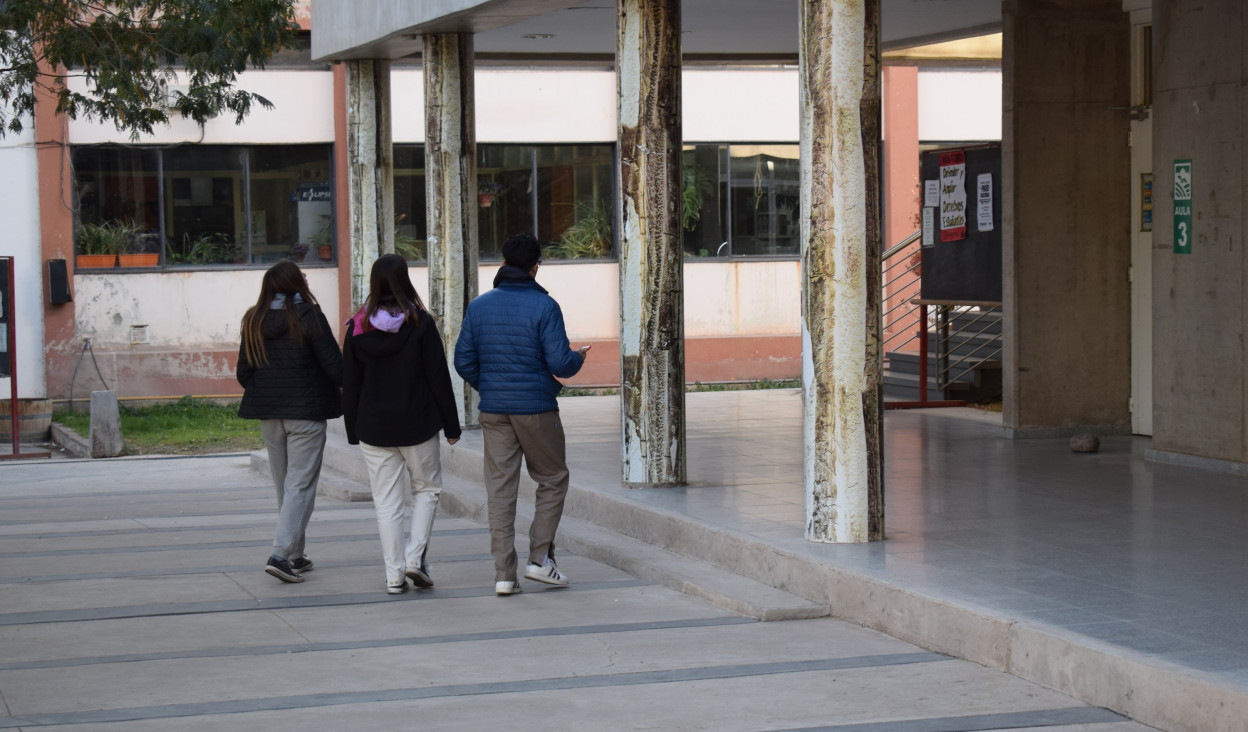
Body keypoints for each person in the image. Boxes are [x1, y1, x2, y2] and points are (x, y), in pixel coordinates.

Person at [454, 233, 588, 596]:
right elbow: (561, 363)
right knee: (553, 478)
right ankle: (540, 560)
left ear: (502, 263)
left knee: (499, 490)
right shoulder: (545, 307)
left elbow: (463, 361)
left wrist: (493, 386)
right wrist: (581, 356)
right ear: (535, 267)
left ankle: (504, 575)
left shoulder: (479, 306)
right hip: (536, 409)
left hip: (494, 411)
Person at [343, 254, 462, 595]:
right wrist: (452, 427)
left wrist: (353, 428)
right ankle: (414, 558)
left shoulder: (356, 327)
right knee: (426, 490)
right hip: (417, 424)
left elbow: (349, 384)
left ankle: (394, 576)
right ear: (404, 281)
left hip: (374, 428)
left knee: (387, 502)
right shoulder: (420, 323)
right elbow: (438, 377)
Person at [237, 260, 343, 584]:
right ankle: (280, 556)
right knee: (300, 486)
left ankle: (295, 554)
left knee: (286, 487)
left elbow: (244, 373)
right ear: (297, 283)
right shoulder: (309, 316)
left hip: (269, 416)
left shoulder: (253, 319)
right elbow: (336, 368)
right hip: (306, 415)